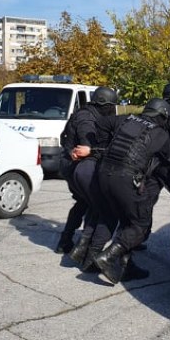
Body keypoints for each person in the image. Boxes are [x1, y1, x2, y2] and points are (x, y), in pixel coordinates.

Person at [90, 98, 170, 284]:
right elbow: (165, 162)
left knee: (124, 219)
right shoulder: (160, 134)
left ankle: (126, 266)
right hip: (125, 178)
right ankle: (108, 256)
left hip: (103, 174)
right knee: (140, 224)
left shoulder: (126, 119)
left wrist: (104, 145)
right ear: (162, 116)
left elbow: (102, 123)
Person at [55, 86, 118, 255]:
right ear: (104, 104)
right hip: (76, 167)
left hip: (69, 165)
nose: (113, 109)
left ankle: (66, 241)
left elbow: (63, 137)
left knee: (83, 203)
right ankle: (83, 246)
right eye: (112, 105)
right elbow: (87, 146)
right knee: (95, 205)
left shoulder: (84, 112)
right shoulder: (87, 120)